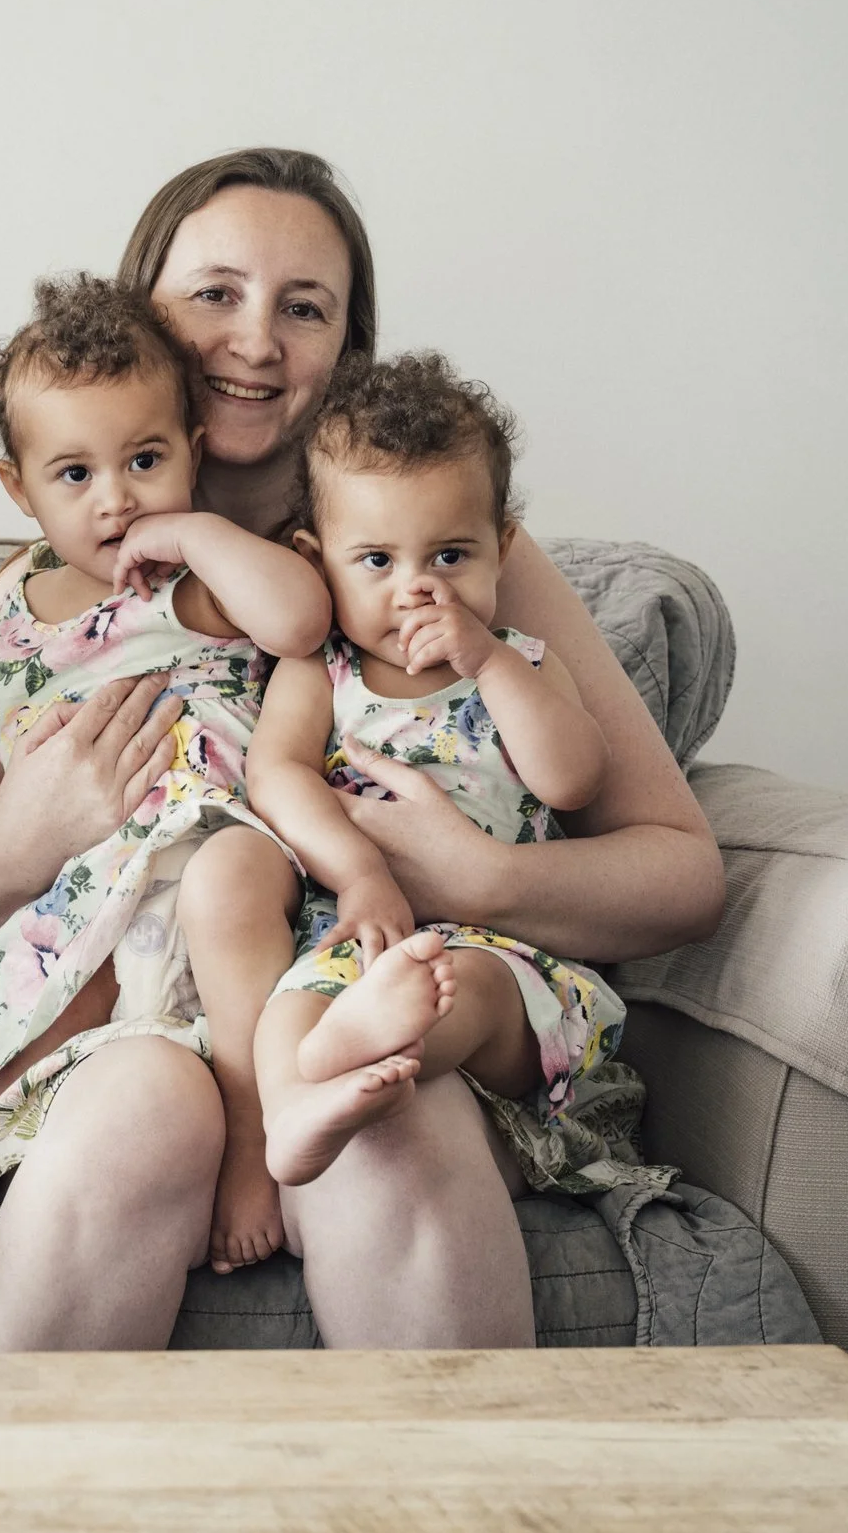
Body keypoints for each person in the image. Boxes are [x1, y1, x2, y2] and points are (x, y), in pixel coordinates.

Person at [0, 148, 723, 1352]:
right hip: (133, 1019)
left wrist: (482, 880)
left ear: (349, 350)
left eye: (304, 307)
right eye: (213, 293)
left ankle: (450, 1518)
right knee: (134, 1108)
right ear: (140, 313)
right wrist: (9, 855)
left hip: (398, 994)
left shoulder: (446, 555)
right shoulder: (43, 604)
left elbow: (682, 872)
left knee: (388, 1106)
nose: (255, 340)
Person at [0, 274, 327, 1270]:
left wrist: (193, 533)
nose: (116, 498)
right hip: (68, 906)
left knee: (220, 938)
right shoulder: (6, 619)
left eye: (145, 458)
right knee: (16, 1016)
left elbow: (301, 620)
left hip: (208, 876)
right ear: (16, 486)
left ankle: (248, 1145)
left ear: (191, 444)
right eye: (73, 474)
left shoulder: (206, 579)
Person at [245, 350, 668, 1201]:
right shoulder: (320, 672)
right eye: (376, 561)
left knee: (462, 988)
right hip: (362, 936)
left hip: (504, 955)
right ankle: (298, 1107)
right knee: (286, 1001)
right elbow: (275, 774)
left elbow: (574, 778)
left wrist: (487, 659)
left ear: (502, 548)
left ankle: (357, 1050)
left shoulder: (523, 664)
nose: (416, 591)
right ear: (314, 556)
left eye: (449, 555)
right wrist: (359, 871)